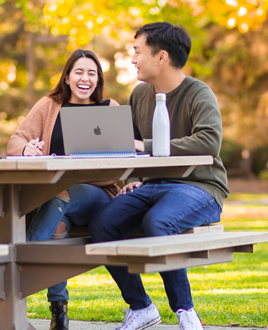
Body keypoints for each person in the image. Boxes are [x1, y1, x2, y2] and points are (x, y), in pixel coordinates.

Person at [88, 22, 229, 330]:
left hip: (200, 186)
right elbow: (130, 148)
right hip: (154, 185)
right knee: (102, 224)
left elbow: (208, 141)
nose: (133, 59)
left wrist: (145, 147)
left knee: (158, 222)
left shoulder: (198, 93)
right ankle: (141, 307)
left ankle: (185, 312)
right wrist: (134, 176)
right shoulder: (140, 94)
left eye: (138, 52)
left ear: (161, 57)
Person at [7, 49, 120, 330]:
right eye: (79, 72)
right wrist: (26, 148)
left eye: (92, 73)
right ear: (67, 77)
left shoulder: (109, 108)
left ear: (98, 79)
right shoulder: (49, 105)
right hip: (55, 202)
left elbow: (127, 151)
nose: (85, 78)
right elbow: (15, 140)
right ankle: (59, 311)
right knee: (56, 229)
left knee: (62, 192)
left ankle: (23, 260)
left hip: (97, 196)